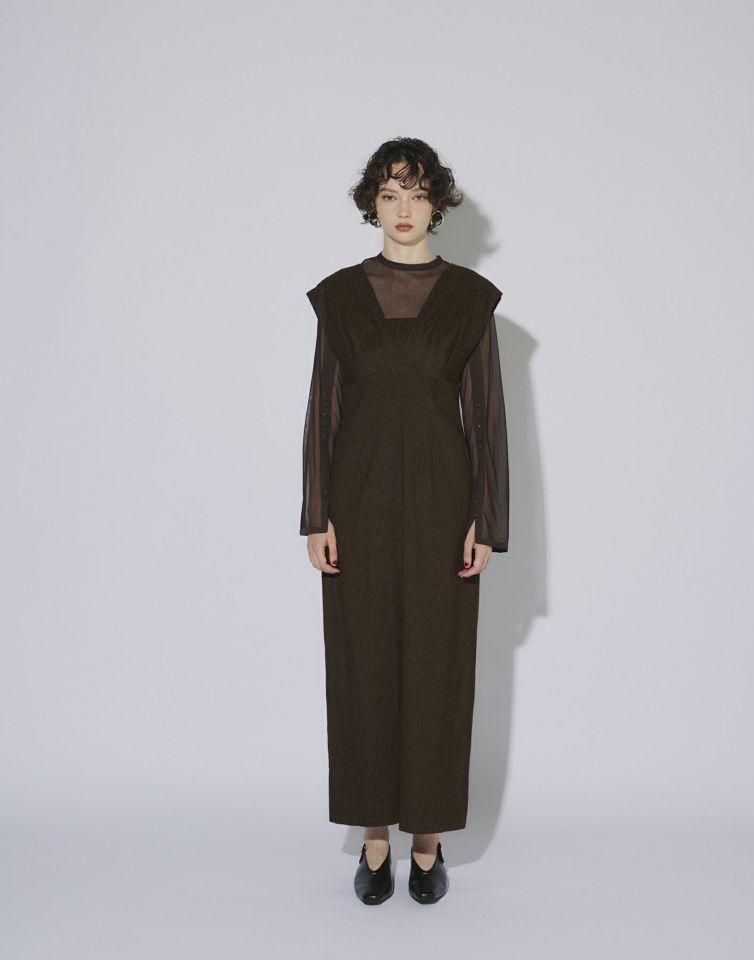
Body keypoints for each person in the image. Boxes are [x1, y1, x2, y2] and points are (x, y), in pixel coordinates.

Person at [300, 137, 510, 905]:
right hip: (355, 506)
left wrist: (485, 518)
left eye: (417, 194)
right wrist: (316, 514)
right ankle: (374, 839)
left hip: (441, 505)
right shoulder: (339, 297)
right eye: (390, 194)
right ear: (372, 205)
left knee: (436, 665)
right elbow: (323, 408)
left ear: (437, 205)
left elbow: (485, 416)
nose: (404, 209)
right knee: (362, 663)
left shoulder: (469, 299)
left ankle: (426, 843)